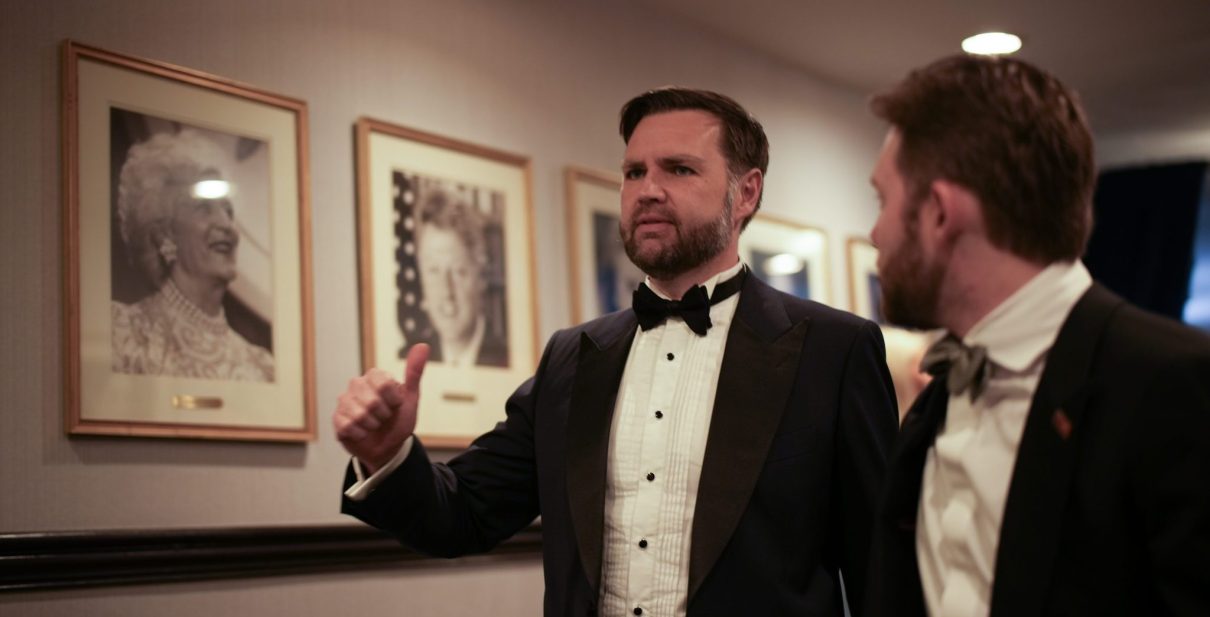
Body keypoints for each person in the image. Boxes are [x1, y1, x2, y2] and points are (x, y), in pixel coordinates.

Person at [335, 87, 898, 616]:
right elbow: (463, 514)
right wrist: (387, 455)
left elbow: (882, 570)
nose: (647, 190)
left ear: (746, 193)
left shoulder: (833, 350)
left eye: (678, 169)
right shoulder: (573, 358)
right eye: (634, 172)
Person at [862, 54, 1210, 616]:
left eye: (883, 201)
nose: (874, 233)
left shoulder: (1176, 383)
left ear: (940, 213)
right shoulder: (934, 402)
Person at [111, 129, 274, 382]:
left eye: (228, 211)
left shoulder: (262, 367)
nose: (227, 225)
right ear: (164, 233)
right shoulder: (119, 331)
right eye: (203, 208)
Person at [413, 188, 508, 367]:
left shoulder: (507, 360)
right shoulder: (407, 361)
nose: (446, 292)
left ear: (481, 276)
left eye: (458, 271)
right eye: (433, 271)